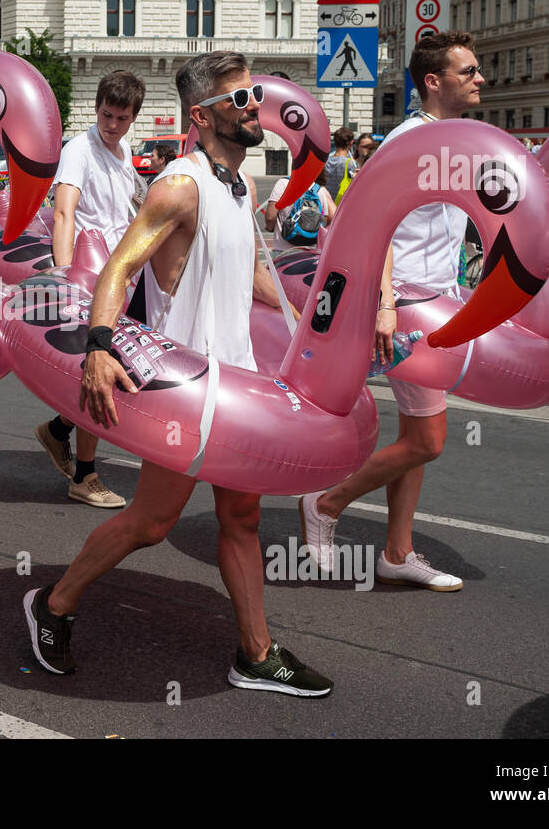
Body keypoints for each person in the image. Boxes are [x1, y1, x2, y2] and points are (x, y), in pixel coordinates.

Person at [22, 50, 332, 696]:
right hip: (186, 391)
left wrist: (298, 312)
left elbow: (244, 271)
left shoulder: (239, 188)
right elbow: (121, 265)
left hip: (239, 385)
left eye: (254, 98)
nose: (255, 109)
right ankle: (53, 603)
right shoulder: (181, 184)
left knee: (241, 519)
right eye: (240, 99)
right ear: (203, 115)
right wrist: (99, 345)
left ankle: (255, 652)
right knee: (152, 521)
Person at [298, 31, 486, 592]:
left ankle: (397, 552)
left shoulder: (456, 139)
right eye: (469, 71)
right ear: (434, 82)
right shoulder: (409, 142)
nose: (480, 79)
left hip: (437, 303)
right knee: (428, 439)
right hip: (402, 306)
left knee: (416, 435)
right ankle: (327, 502)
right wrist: (383, 305)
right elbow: (368, 225)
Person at [35, 70, 147, 510]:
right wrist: (67, 278)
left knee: (117, 370)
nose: (112, 125)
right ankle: (84, 475)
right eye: (106, 114)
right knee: (101, 369)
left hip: (120, 274)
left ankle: (59, 430)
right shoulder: (79, 150)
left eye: (121, 118)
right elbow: (64, 213)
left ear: (133, 118)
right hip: (89, 276)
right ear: (96, 106)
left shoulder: (122, 150)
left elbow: (126, 210)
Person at [263, 172, 336, 243]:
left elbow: (270, 217)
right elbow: (324, 221)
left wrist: (269, 228)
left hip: (283, 248)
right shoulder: (319, 190)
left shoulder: (283, 183)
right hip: (311, 247)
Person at [322, 127, 356, 194]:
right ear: (351, 143)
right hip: (342, 201)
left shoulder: (325, 161)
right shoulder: (350, 163)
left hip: (327, 201)